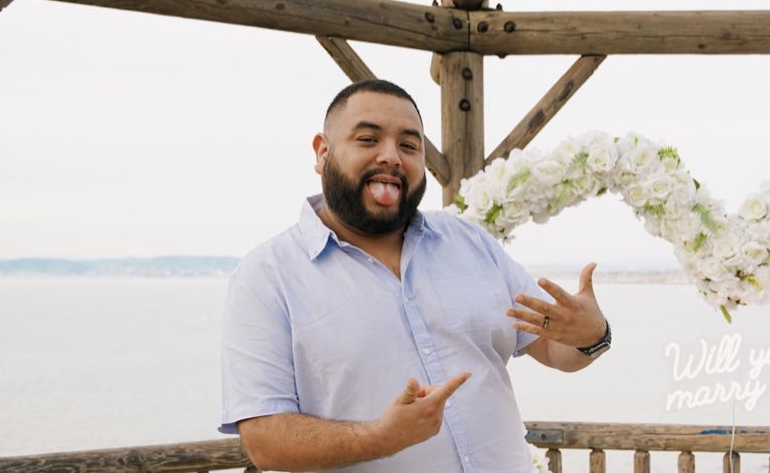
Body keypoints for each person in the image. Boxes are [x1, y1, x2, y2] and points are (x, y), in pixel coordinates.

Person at [219, 79, 613, 472]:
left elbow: (553, 350)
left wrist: (592, 336)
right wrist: (380, 438)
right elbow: (264, 440)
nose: (391, 156)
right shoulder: (266, 276)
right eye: (368, 139)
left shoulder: (471, 242)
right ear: (323, 153)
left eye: (409, 146)